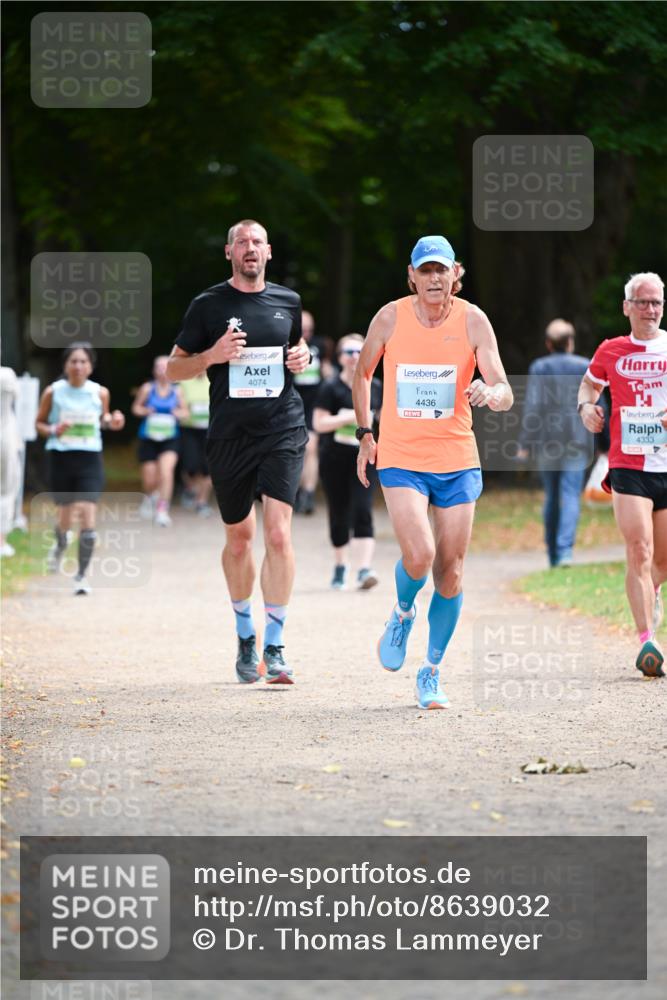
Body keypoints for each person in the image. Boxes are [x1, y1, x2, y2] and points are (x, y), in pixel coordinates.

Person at [353, 235, 513, 709]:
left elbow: (503, 388)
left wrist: (491, 392)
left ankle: (431, 671)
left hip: (457, 459)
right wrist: (365, 432)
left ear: (455, 274)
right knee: (419, 555)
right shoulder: (390, 316)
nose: (435, 279)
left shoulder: (473, 320)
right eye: (426, 271)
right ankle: (402, 613)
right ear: (412, 276)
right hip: (402, 457)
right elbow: (363, 374)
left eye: (442, 270)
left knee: (450, 573)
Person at [166, 219, 310, 685]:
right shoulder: (208, 305)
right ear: (229, 252)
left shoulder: (288, 301)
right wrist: (212, 355)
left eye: (257, 242)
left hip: (282, 428)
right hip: (230, 434)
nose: (250, 249)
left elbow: (297, 350)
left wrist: (302, 358)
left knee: (280, 535)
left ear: (268, 252)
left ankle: (276, 644)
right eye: (242, 242)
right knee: (239, 540)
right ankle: (245, 632)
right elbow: (173, 369)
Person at [578, 271, 667, 678]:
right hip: (628, 465)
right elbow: (587, 388)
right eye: (643, 302)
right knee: (640, 550)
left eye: (657, 303)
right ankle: (646, 639)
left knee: (661, 563)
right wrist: (586, 409)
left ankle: (654, 595)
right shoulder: (611, 350)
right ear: (627, 306)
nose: (651, 310)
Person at [35, 343, 125, 594]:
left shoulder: (100, 392)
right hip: (61, 457)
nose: (78, 366)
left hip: (89, 459)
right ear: (65, 365)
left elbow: (103, 419)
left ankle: (81, 577)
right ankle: (60, 544)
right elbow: (39, 423)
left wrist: (113, 421)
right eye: (73, 361)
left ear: (90, 366)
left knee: (86, 515)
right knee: (64, 517)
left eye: (83, 361)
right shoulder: (53, 392)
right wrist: (53, 429)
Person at [313, 333, 382, 590]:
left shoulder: (376, 387)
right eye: (349, 352)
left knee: (363, 510)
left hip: (367, 457)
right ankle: (341, 566)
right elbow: (318, 423)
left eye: (359, 351)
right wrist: (350, 418)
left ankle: (364, 570)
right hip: (334, 458)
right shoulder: (330, 387)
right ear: (340, 357)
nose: (354, 357)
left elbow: (386, 420)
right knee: (339, 513)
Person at [521, 319, 592, 568]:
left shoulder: (540, 367)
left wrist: (525, 443)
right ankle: (565, 552)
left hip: (547, 441)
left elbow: (533, 405)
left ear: (549, 344)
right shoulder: (585, 366)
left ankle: (552, 553)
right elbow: (597, 405)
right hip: (577, 440)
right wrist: (605, 442)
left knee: (552, 496)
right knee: (571, 494)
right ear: (571, 342)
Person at [132, 356, 189, 527]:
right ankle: (150, 496)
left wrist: (177, 413)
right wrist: (145, 410)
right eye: (159, 367)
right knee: (150, 479)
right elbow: (135, 408)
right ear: (154, 370)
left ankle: (162, 510)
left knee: (166, 471)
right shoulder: (147, 388)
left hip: (170, 438)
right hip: (148, 438)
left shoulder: (177, 390)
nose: (162, 371)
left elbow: (185, 412)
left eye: (165, 367)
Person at [293, 310, 333, 514]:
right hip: (293, 404)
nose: (307, 333)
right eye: (303, 329)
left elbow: (327, 370)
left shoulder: (320, 345)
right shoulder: (288, 344)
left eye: (310, 329)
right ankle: (297, 492)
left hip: (314, 403)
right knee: (297, 451)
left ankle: (308, 493)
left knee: (311, 449)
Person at [179, 372, 213, 517]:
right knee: (190, 465)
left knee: (209, 467)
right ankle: (190, 488)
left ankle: (201, 501)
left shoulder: (214, 379)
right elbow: (178, 402)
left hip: (210, 430)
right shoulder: (184, 382)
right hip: (189, 429)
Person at [0, 366, 21, 558]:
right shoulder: (7, 375)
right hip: (5, 438)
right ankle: (1, 541)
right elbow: (17, 397)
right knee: (6, 489)